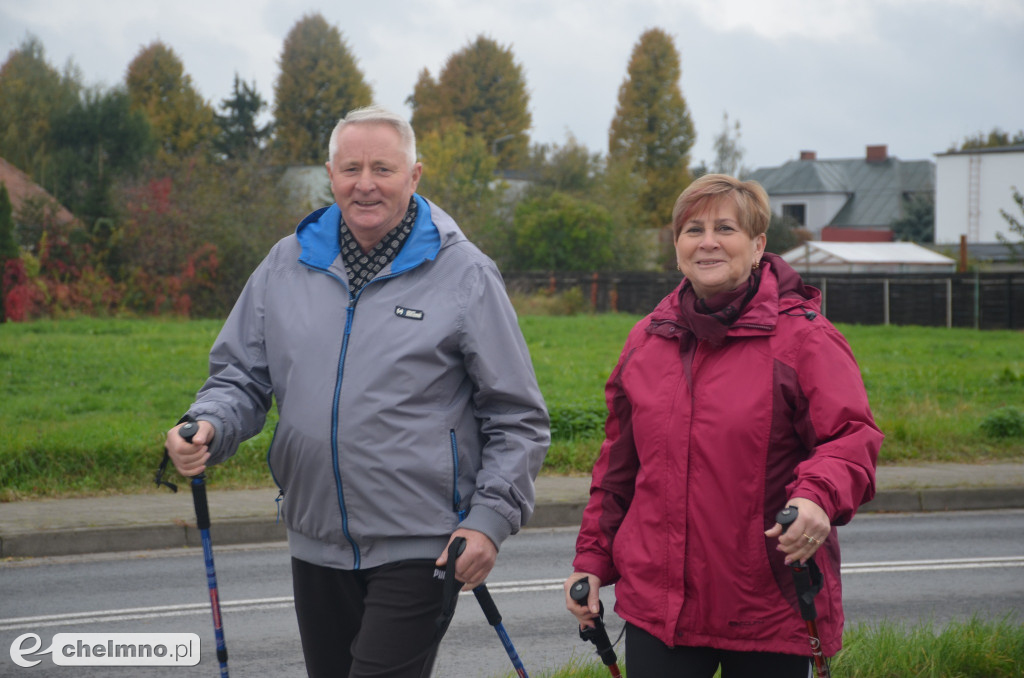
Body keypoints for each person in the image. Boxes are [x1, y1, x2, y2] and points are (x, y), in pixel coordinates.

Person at [165, 104, 549, 678]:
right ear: (330, 173)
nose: (364, 184)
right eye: (350, 169)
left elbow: (516, 416)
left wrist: (488, 519)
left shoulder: (464, 273)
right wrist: (210, 424)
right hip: (314, 536)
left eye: (382, 169)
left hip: (424, 544)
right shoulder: (285, 264)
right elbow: (240, 376)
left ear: (414, 176)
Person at [564, 174, 882, 677]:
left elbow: (849, 439)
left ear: (757, 246)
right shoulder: (647, 341)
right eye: (693, 229)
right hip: (660, 608)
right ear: (676, 248)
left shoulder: (804, 340)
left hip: (766, 606)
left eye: (725, 228)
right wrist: (592, 559)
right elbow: (618, 468)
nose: (707, 241)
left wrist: (816, 496)